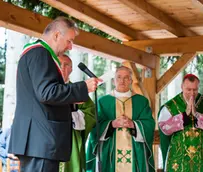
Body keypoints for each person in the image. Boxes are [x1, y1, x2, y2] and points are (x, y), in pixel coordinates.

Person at [8, 17, 101, 172]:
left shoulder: (35, 53)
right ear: (57, 35)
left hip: (37, 140)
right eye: (69, 41)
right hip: (41, 139)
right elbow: (47, 93)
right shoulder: (40, 53)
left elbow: (40, 97)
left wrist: (71, 102)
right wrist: (83, 88)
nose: (70, 47)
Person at [86, 66, 155, 172]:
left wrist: (133, 124)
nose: (122, 81)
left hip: (135, 152)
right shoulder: (103, 102)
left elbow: (149, 125)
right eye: (119, 77)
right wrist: (112, 124)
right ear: (114, 80)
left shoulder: (141, 102)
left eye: (126, 78)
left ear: (131, 81)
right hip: (109, 153)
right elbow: (94, 126)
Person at [158, 74, 203, 172]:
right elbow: (164, 128)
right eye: (188, 89)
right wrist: (184, 116)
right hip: (178, 159)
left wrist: (198, 116)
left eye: (195, 90)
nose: (192, 93)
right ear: (182, 87)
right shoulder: (171, 106)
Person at [58, 54, 96, 172]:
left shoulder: (79, 91)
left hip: (71, 142)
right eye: (59, 64)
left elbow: (90, 115)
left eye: (66, 65)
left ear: (71, 69)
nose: (62, 68)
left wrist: (70, 115)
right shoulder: (47, 89)